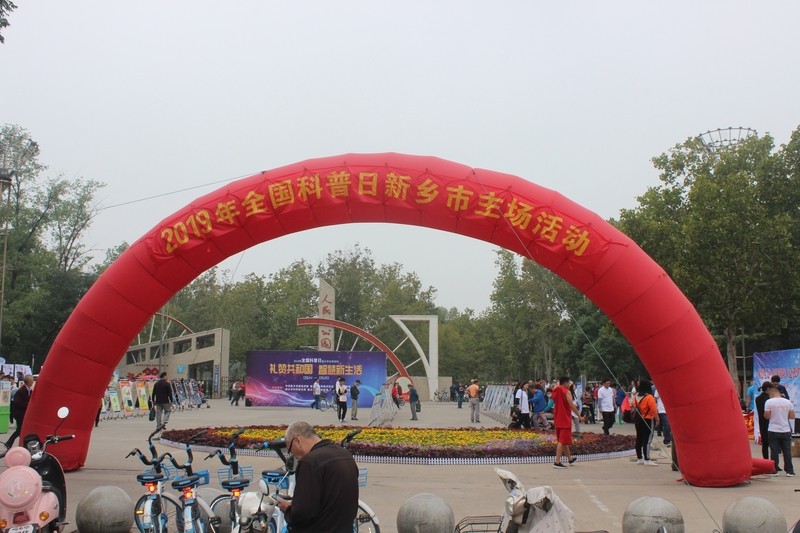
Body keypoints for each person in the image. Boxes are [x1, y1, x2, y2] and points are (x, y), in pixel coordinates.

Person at [276, 421, 359, 532]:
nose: (293, 456)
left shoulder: (310, 462)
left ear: (297, 441)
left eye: (290, 449)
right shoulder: (345, 454)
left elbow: (302, 513)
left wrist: (288, 510)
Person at [764, 385, 795, 477]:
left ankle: (774, 470)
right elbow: (792, 416)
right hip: (785, 429)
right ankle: (789, 471)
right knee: (787, 451)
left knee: (774, 451)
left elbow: (767, 416)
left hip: (773, 429)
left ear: (771, 393)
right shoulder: (788, 402)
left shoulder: (769, 402)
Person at [552, 376, 582, 469]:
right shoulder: (566, 391)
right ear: (565, 383)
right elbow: (571, 405)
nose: (569, 385)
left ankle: (570, 458)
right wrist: (579, 416)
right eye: (569, 383)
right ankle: (557, 462)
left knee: (562, 440)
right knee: (562, 441)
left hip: (557, 417)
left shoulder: (555, 390)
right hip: (565, 418)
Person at [631, 379, 659, 466]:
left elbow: (633, 404)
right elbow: (654, 410)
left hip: (638, 420)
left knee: (639, 438)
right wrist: (657, 419)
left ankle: (639, 458)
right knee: (647, 440)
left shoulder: (636, 396)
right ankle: (647, 459)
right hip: (647, 419)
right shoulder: (649, 397)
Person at [5, 374, 34, 448]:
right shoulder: (21, 390)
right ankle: (9, 443)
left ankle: (21, 444)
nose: (32, 382)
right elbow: (17, 402)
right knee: (20, 430)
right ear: (28, 381)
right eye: (31, 380)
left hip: (25, 414)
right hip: (19, 414)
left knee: (22, 430)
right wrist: (28, 404)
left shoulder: (30, 390)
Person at [755, 381, 774, 460]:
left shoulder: (757, 398)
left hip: (762, 422)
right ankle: (773, 462)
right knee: (773, 444)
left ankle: (766, 460)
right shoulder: (768, 399)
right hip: (770, 422)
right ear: (768, 389)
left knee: (765, 443)